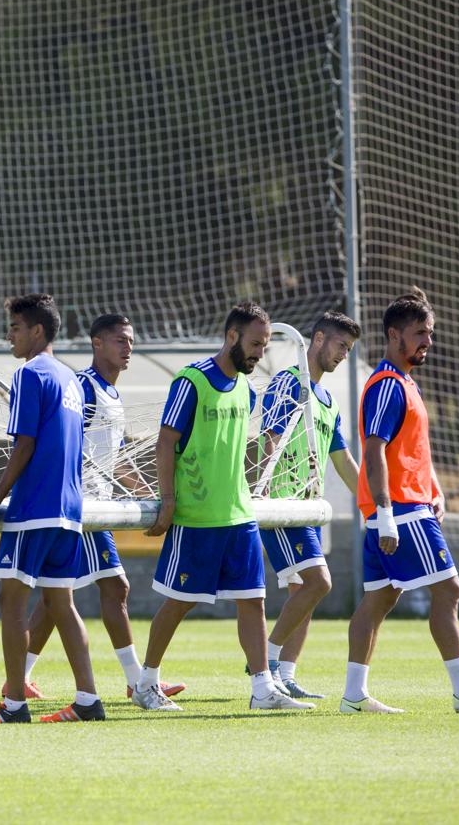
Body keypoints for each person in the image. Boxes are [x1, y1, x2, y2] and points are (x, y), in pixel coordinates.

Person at [132, 302, 313, 713]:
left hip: (239, 515)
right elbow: (165, 442)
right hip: (197, 517)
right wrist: (169, 500)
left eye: (264, 346)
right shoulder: (191, 382)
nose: (259, 354)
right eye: (254, 344)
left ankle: (262, 689)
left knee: (253, 600)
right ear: (231, 336)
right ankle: (145, 684)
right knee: (179, 601)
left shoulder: (246, 390)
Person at [341, 289, 459, 714]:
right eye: (420, 333)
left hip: (405, 506)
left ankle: (353, 695)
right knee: (449, 589)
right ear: (394, 334)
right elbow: (375, 449)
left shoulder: (405, 383)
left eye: (430, 333)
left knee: (379, 600)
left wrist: (433, 487)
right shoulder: (385, 385)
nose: (428, 342)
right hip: (398, 510)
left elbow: (410, 448)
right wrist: (384, 513)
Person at [15, 313, 186, 702]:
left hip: (98, 506)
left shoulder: (113, 395)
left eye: (130, 341)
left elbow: (118, 460)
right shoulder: (83, 387)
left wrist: (148, 494)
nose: (129, 348)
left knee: (54, 599)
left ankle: (19, 677)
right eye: (120, 341)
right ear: (97, 343)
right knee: (114, 587)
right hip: (83, 506)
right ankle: (138, 681)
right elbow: (63, 444)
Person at [0, 293, 102, 725]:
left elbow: (23, 443)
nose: (9, 335)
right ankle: (88, 699)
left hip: (36, 507)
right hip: (69, 509)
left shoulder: (29, 374)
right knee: (61, 603)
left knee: (11, 599)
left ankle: (13, 705)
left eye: (15, 328)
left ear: (37, 331)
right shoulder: (71, 379)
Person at [253, 310, 362, 699]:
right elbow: (270, 436)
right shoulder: (288, 383)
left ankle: (285, 676)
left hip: (307, 506)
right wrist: (263, 492)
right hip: (282, 506)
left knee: (303, 592)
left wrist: (373, 500)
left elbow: (342, 460)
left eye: (348, 350)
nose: (342, 355)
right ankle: (264, 662)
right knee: (318, 583)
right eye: (340, 346)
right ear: (317, 340)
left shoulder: (327, 400)